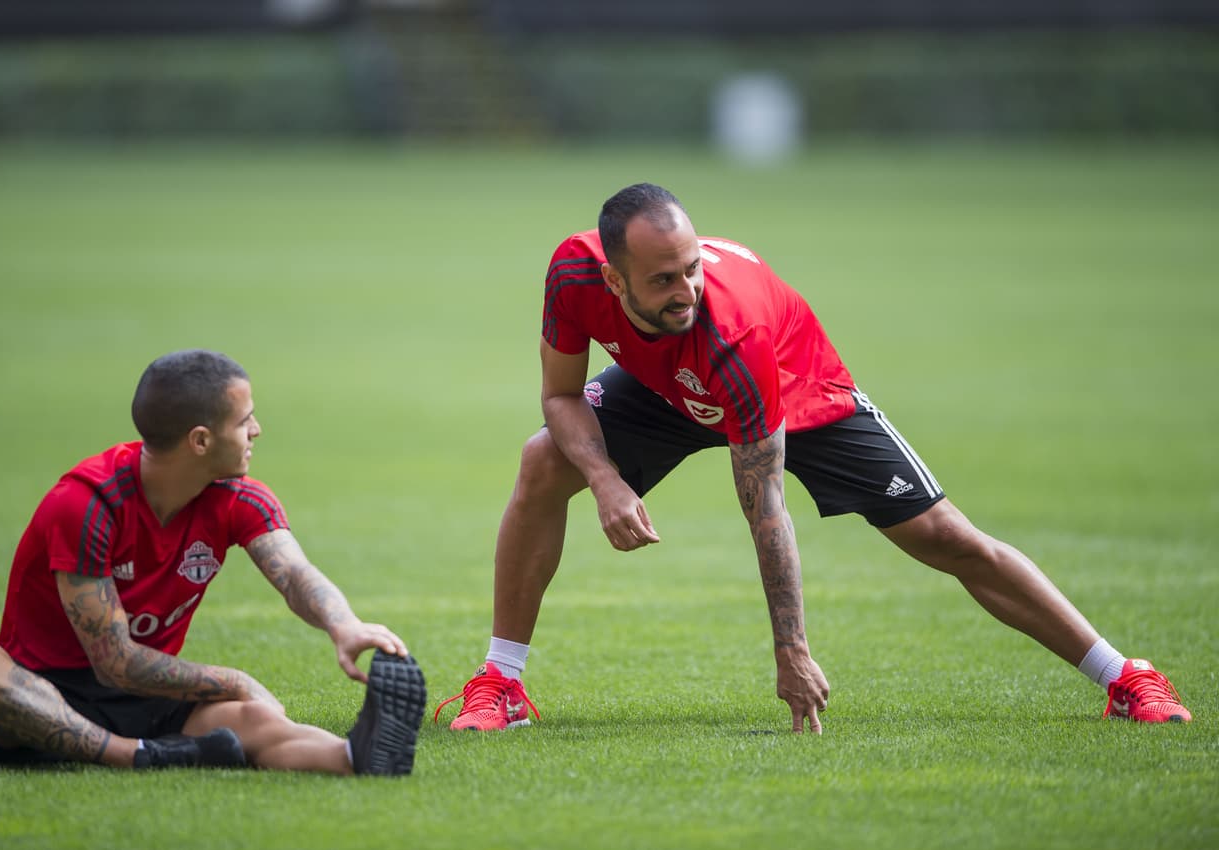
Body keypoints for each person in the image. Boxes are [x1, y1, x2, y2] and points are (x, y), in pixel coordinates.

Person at [433, 182, 1191, 734]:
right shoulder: (573, 274)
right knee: (543, 463)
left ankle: (1126, 677)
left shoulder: (732, 334)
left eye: (692, 268)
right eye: (663, 279)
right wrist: (604, 480)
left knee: (946, 538)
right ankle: (502, 684)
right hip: (665, 387)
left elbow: (766, 511)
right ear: (612, 276)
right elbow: (560, 396)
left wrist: (791, 651)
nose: (686, 289)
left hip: (793, 390)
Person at [0, 349, 427, 773]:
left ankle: (354, 757)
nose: (257, 430)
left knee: (254, 720)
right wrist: (235, 681)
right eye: (244, 421)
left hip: (149, 699)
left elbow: (295, 574)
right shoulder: (86, 504)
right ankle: (135, 756)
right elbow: (114, 663)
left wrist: (344, 626)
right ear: (200, 441)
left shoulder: (238, 498)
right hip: (33, 702)